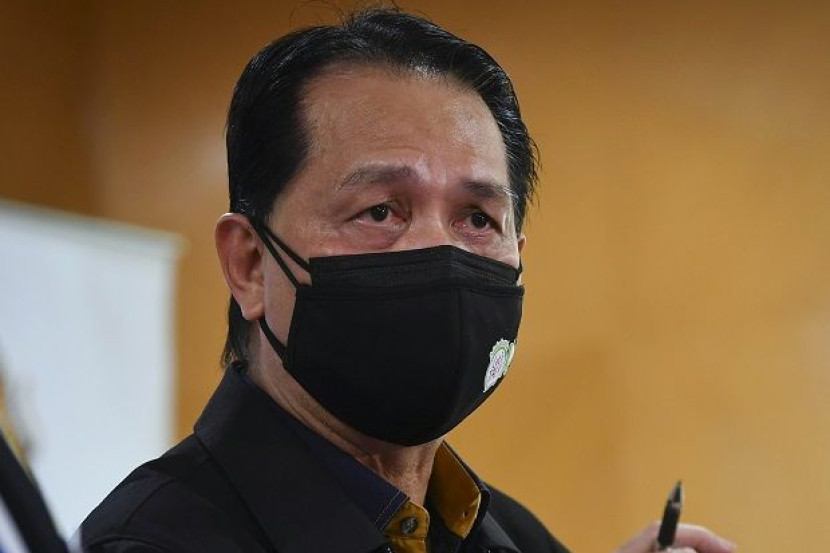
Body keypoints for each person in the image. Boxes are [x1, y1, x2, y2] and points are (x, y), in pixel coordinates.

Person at [80, 8, 736, 553]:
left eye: (477, 218)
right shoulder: (150, 541)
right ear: (250, 264)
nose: (438, 251)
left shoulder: (512, 536)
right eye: (380, 211)